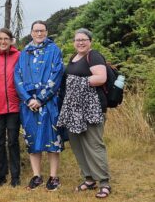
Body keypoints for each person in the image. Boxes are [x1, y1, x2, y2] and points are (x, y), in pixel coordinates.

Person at [57, 28, 111, 199]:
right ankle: (89, 178)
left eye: (84, 39)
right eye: (77, 39)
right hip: (74, 110)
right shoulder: (74, 57)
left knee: (94, 145)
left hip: (91, 109)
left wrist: (75, 81)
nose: (80, 42)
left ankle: (104, 182)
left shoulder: (93, 56)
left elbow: (101, 78)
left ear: (90, 41)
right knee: (77, 144)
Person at [14, 20, 64, 191]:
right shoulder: (24, 53)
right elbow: (17, 77)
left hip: (49, 103)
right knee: (32, 140)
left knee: (52, 140)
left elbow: (57, 75)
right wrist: (28, 99)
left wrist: (41, 99)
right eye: (36, 31)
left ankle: (53, 177)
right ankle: (36, 176)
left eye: (42, 30)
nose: (39, 34)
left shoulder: (54, 50)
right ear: (31, 32)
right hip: (28, 105)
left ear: (47, 32)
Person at [0, 28, 21, 188]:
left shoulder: (19, 56)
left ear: (11, 40)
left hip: (14, 106)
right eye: (0, 38)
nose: (3, 41)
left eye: (6, 38)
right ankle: (1, 174)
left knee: (13, 141)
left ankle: (15, 175)